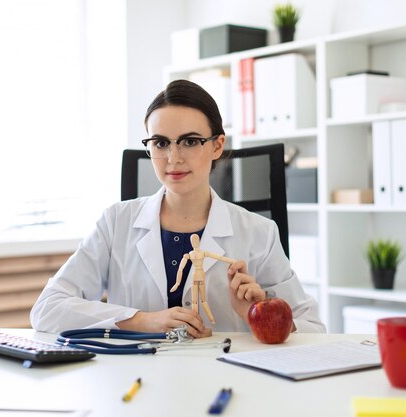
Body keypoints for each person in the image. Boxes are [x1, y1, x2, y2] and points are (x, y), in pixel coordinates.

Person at [30, 79, 325, 337]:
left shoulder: (259, 232)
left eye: (190, 141)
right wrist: (141, 320)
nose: (173, 157)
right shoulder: (116, 222)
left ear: (217, 145)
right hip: (137, 378)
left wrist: (259, 314)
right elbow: (47, 308)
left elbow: (311, 326)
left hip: (228, 379)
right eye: (160, 143)